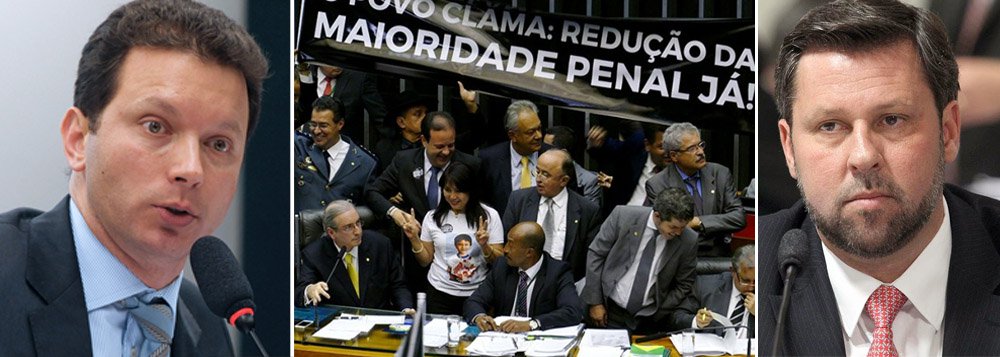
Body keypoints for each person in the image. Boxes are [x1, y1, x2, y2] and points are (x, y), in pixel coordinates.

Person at [0, 0, 267, 355]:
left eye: (218, 144)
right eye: (156, 126)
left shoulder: (208, 328)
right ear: (78, 139)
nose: (191, 169)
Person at [760, 0, 1000, 355]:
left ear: (948, 131)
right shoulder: (752, 271)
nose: (863, 156)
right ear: (789, 148)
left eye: (892, 120)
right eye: (830, 126)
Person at [365, 111, 481, 294]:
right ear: (424, 141)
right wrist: (394, 212)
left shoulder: (470, 165)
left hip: (462, 262)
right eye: (439, 146)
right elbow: (372, 191)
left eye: (451, 145)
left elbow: (482, 208)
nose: (446, 152)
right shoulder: (405, 162)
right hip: (418, 258)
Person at [582, 188, 698, 334]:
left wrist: (659, 310)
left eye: (683, 227)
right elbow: (596, 254)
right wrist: (595, 302)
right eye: (673, 227)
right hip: (609, 311)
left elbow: (684, 284)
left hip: (650, 320)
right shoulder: (623, 216)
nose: (678, 233)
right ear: (657, 215)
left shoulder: (689, 239)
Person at [403, 162, 504, 315]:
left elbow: (499, 261)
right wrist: (414, 238)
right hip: (439, 292)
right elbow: (425, 260)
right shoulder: (432, 217)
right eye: (447, 190)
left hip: (477, 295)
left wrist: (485, 246)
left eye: (459, 191)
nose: (452, 196)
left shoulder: (490, 216)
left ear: (470, 191)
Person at [645, 122, 745, 257]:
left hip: (717, 255)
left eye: (700, 145)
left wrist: (698, 222)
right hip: (678, 256)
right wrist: (717, 225)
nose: (700, 152)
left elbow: (738, 218)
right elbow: (665, 227)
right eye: (692, 148)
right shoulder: (657, 184)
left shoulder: (720, 173)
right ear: (674, 155)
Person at [502, 149, 601, 284]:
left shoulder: (587, 210)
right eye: (537, 171)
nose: (538, 179)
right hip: (522, 281)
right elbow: (506, 243)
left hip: (565, 284)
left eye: (545, 175)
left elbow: (590, 258)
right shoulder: (518, 200)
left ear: (564, 180)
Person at [464, 222, 583, 333]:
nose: (505, 250)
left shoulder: (558, 272)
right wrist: (480, 317)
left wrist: (532, 324)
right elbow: (474, 301)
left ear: (529, 253)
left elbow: (572, 312)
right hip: (502, 337)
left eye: (511, 245)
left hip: (538, 342)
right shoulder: (502, 266)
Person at [296, 201, 414, 312]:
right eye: (348, 227)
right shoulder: (314, 254)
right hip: (338, 326)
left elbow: (399, 285)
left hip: (378, 323)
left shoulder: (380, 245)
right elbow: (299, 293)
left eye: (358, 223)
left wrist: (405, 309)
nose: (357, 231)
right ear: (331, 233)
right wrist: (309, 290)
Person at [294, 96, 376, 212]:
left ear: (340, 124)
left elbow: (367, 211)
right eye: (313, 124)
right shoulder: (299, 147)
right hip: (301, 228)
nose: (316, 131)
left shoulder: (365, 163)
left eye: (323, 126)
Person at [478, 100, 550, 214]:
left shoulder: (555, 156)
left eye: (539, 128)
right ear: (513, 135)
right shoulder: (489, 159)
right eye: (531, 132)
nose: (539, 136)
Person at [673, 244, 755, 338]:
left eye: (756, 281)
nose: (751, 287)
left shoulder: (766, 291)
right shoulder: (706, 285)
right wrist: (697, 321)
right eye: (745, 281)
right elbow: (677, 317)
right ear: (732, 271)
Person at [297, 63, 387, 145]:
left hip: (345, 151)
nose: (337, 64)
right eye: (331, 59)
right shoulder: (303, 72)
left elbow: (381, 119)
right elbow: (300, 114)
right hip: (307, 148)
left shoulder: (359, 78)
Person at [588, 122, 667, 215]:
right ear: (648, 145)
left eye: (673, 147)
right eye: (662, 147)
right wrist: (598, 143)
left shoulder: (681, 170)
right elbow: (611, 150)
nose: (669, 152)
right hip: (621, 216)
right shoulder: (637, 146)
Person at [544, 125, 603, 207]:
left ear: (564, 153)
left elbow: (590, 215)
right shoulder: (538, 172)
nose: (542, 151)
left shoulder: (589, 181)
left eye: (546, 148)